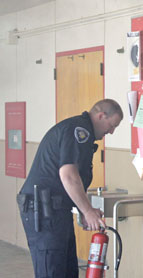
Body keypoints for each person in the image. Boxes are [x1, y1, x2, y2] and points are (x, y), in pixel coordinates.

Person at [17, 99, 123, 278]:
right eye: (112, 125)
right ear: (101, 115)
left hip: (55, 211)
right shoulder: (79, 131)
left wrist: (83, 209)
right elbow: (68, 175)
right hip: (44, 212)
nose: (111, 131)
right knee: (52, 271)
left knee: (67, 270)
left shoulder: (80, 131)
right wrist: (87, 210)